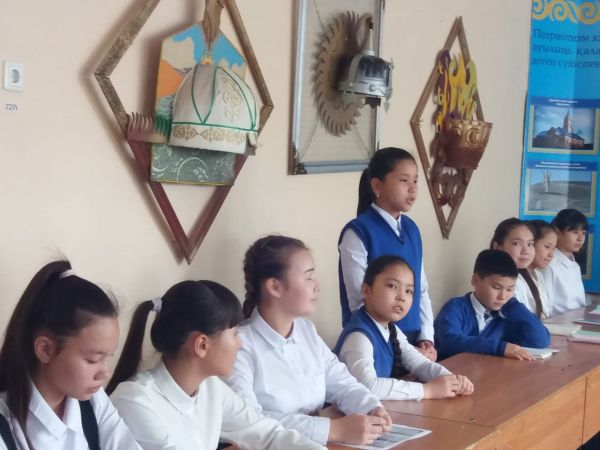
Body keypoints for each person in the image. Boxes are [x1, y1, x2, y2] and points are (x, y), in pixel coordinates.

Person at [108, 280, 326, 450]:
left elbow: (269, 434)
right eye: (235, 334)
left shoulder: (211, 388)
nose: (240, 344)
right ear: (202, 345)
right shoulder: (135, 402)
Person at [228, 235, 391, 446]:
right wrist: (333, 430)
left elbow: (342, 382)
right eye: (308, 277)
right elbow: (249, 422)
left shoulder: (306, 331)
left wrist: (371, 407)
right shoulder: (238, 345)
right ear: (275, 287)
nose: (317, 286)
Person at [0, 261, 141, 450]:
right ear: (45, 349)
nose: (104, 373)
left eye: (109, 356)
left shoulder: (93, 401)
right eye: (93, 359)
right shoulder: (7, 427)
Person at [339, 147, 436, 360]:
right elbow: (359, 300)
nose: (412, 189)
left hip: (415, 344)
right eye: (404, 180)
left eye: (415, 181)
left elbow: (421, 288)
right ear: (377, 185)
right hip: (374, 344)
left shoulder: (412, 229)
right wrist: (404, 349)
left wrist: (426, 338)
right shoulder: (357, 232)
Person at [335, 255, 474, 400]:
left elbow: (419, 364)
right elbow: (367, 386)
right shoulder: (359, 336)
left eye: (409, 291)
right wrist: (427, 390)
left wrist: (451, 380)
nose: (401, 297)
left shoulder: (390, 329)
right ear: (366, 290)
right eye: (392, 286)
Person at [434, 250, 551, 360]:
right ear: (475, 280)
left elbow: (540, 341)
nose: (502, 296)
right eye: (496, 287)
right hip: (452, 372)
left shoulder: (508, 313)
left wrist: (514, 305)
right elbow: (449, 342)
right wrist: (500, 348)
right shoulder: (456, 308)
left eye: (509, 289)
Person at [542, 209, 588, 315]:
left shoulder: (575, 266)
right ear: (558, 232)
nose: (580, 238)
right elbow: (546, 308)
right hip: (558, 322)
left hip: (577, 319)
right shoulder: (549, 264)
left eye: (583, 233)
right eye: (575, 232)